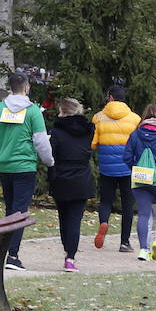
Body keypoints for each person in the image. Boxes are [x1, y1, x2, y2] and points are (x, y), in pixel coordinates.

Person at [0, 72, 54, 272]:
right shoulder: (33, 112)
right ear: (27, 87)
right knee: (19, 212)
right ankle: (12, 255)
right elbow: (40, 141)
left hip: (4, 166)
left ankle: (4, 253)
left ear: (11, 87)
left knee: (10, 210)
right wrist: (50, 162)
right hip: (24, 166)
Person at [123, 103, 156, 262]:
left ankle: (143, 250)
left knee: (143, 215)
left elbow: (126, 158)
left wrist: (136, 168)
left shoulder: (134, 135)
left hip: (140, 180)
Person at [90, 84, 140, 253]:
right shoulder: (135, 119)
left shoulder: (98, 117)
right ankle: (124, 242)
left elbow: (93, 144)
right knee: (127, 203)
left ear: (110, 97)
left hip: (106, 168)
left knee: (105, 201)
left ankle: (104, 221)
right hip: (128, 168)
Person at [47, 97, 94, 273]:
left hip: (61, 177)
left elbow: (52, 154)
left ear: (64, 112)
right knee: (75, 220)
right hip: (81, 177)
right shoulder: (88, 131)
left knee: (63, 218)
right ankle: (70, 256)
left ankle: (68, 249)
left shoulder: (57, 132)